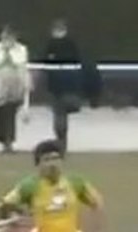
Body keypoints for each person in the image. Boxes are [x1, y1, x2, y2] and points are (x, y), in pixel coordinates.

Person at [0, 25, 31, 154]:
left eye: (9, 37)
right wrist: (3, 59)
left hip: (14, 85)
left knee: (10, 113)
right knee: (0, 114)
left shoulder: (21, 49)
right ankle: (2, 140)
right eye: (4, 37)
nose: (6, 40)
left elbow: (21, 65)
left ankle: (9, 141)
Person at [43, 18, 82, 151]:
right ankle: (61, 141)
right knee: (59, 115)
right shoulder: (51, 44)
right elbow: (46, 61)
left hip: (65, 87)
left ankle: (61, 142)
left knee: (60, 114)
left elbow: (76, 61)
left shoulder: (70, 44)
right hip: (56, 87)